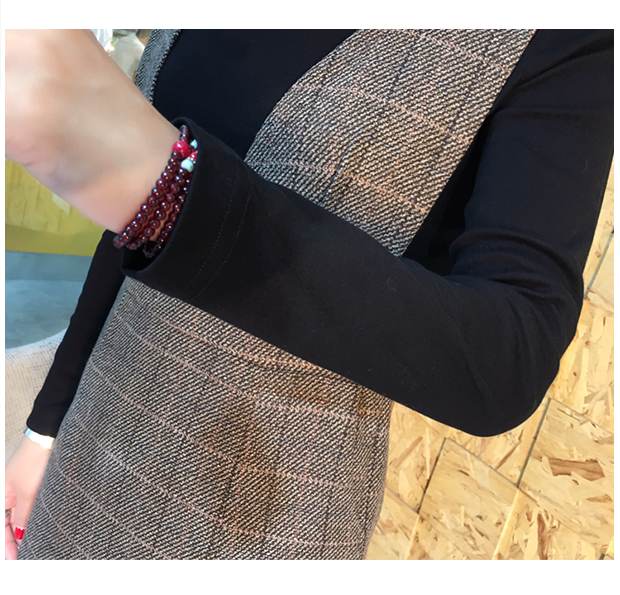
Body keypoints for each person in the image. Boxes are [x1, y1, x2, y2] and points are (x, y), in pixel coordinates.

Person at [4, 29, 613, 560]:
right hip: (94, 438)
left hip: (255, 503)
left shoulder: (559, 36)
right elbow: (127, 226)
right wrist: (46, 427)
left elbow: (508, 359)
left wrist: (171, 192)